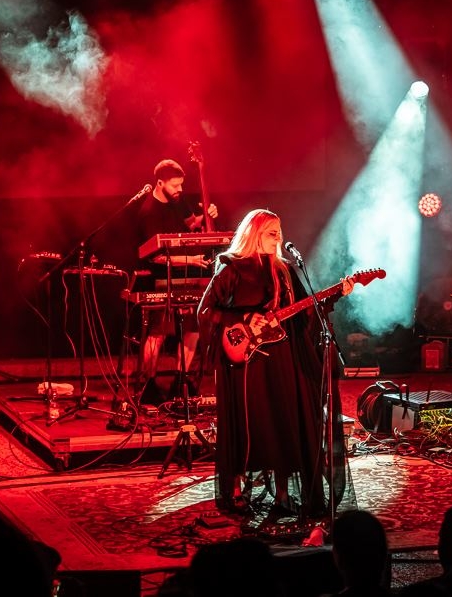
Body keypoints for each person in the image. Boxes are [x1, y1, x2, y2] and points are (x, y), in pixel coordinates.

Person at [197, 208, 348, 518]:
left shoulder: (285, 270)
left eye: (279, 230)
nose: (278, 236)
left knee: (283, 422)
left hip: (282, 358)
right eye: (271, 231)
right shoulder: (231, 268)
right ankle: (236, 490)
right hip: (248, 362)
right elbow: (206, 311)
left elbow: (306, 311)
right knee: (250, 424)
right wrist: (243, 317)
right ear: (254, 234)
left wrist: (335, 296)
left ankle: (283, 495)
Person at [133, 159, 218, 388]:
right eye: (175, 185)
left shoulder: (178, 200)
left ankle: (182, 380)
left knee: (193, 328)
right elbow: (156, 257)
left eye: (181, 184)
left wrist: (207, 214)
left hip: (186, 275)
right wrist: (191, 259)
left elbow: (191, 225)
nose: (180, 189)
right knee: (158, 332)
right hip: (159, 278)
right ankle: (148, 384)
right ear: (160, 183)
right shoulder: (149, 212)